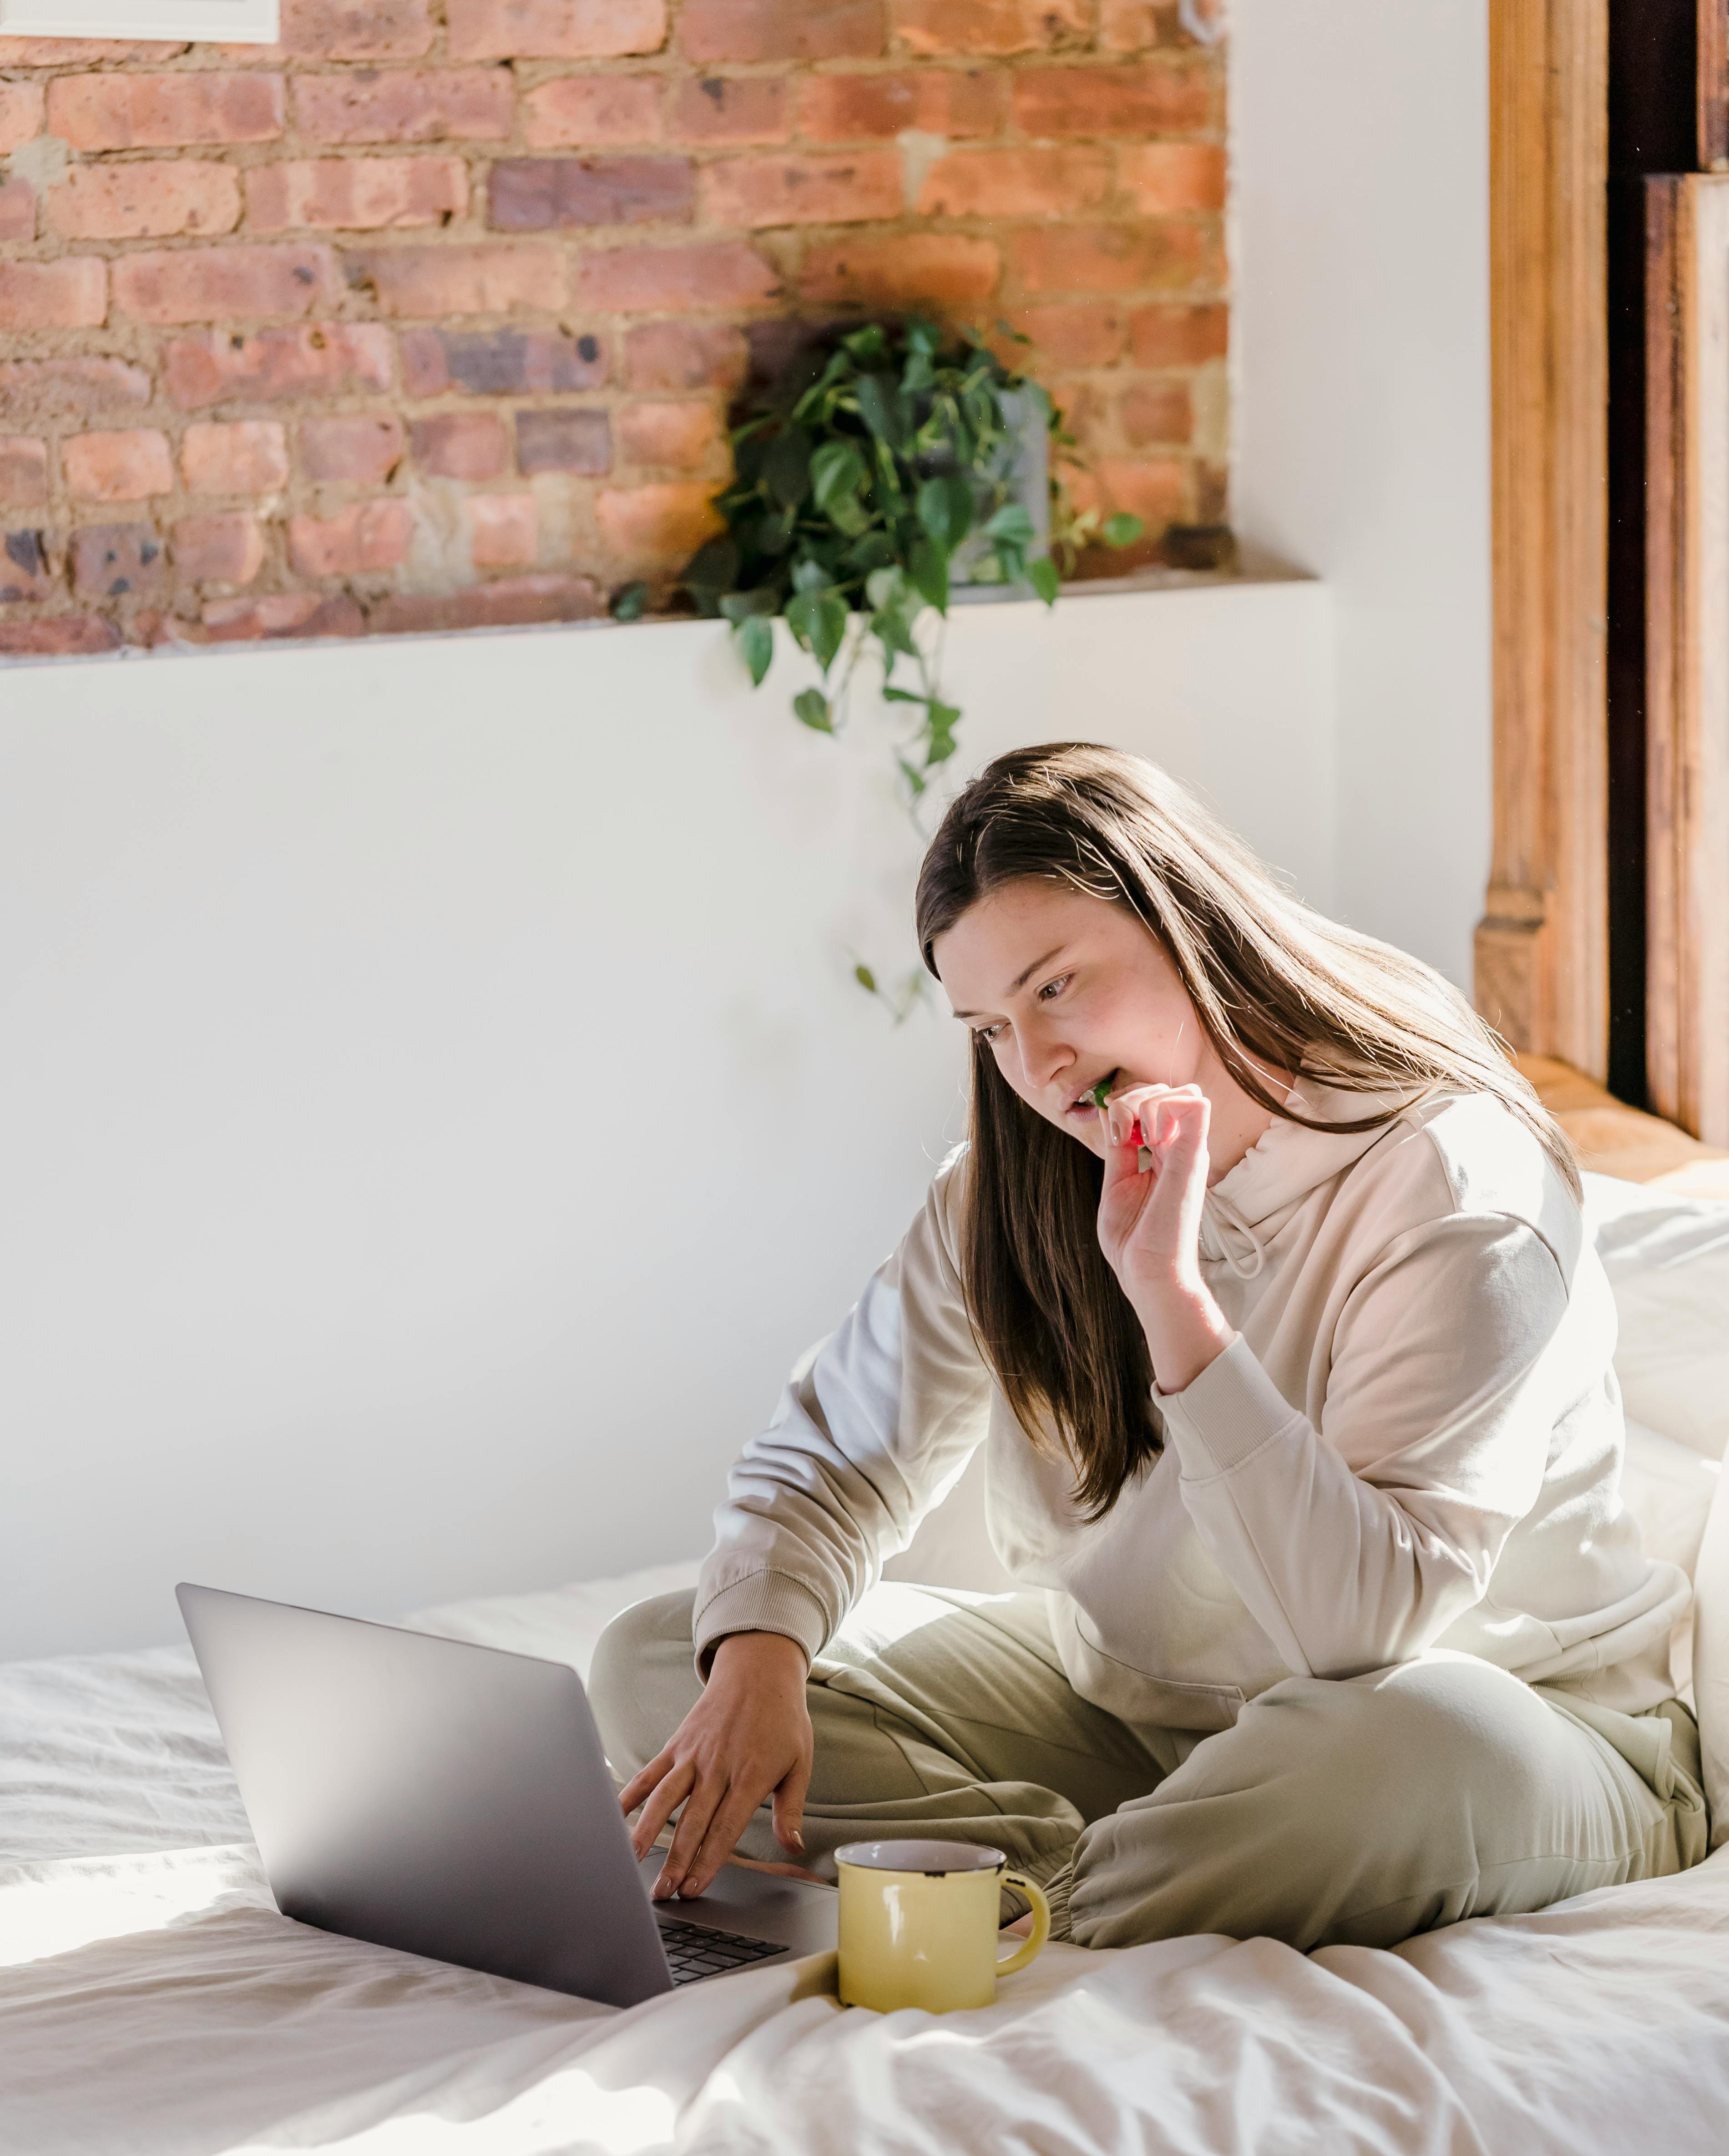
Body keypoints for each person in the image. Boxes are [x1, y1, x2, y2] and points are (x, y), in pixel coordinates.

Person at [589, 743, 1704, 1953]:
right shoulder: (1016, 1190)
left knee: (1405, 1748)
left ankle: (1006, 1903)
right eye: (990, 1027)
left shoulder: (1457, 1181)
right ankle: (1124, 1869)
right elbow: (835, 1453)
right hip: (1133, 1714)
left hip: (1494, 1723)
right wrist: (759, 1655)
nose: (1035, 1064)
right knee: (667, 1662)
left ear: (1188, 923)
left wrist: (1172, 1299)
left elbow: (1361, 1632)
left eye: (1057, 986)